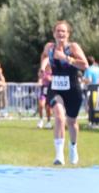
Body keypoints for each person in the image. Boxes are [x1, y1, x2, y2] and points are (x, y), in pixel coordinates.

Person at [40, 20, 88, 166]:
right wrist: (43, 68)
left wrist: (65, 58)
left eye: (63, 31)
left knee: (72, 122)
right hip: (55, 87)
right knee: (59, 117)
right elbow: (43, 57)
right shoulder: (49, 47)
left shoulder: (73, 47)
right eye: (58, 31)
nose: (60, 33)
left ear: (68, 34)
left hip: (73, 88)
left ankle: (73, 146)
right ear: (54, 33)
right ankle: (59, 154)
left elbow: (84, 65)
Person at [36, 63, 52, 129]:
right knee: (41, 105)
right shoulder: (43, 72)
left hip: (51, 91)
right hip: (43, 91)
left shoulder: (54, 71)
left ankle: (48, 122)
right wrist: (39, 82)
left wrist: (50, 79)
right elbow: (40, 79)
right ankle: (41, 120)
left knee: (48, 108)